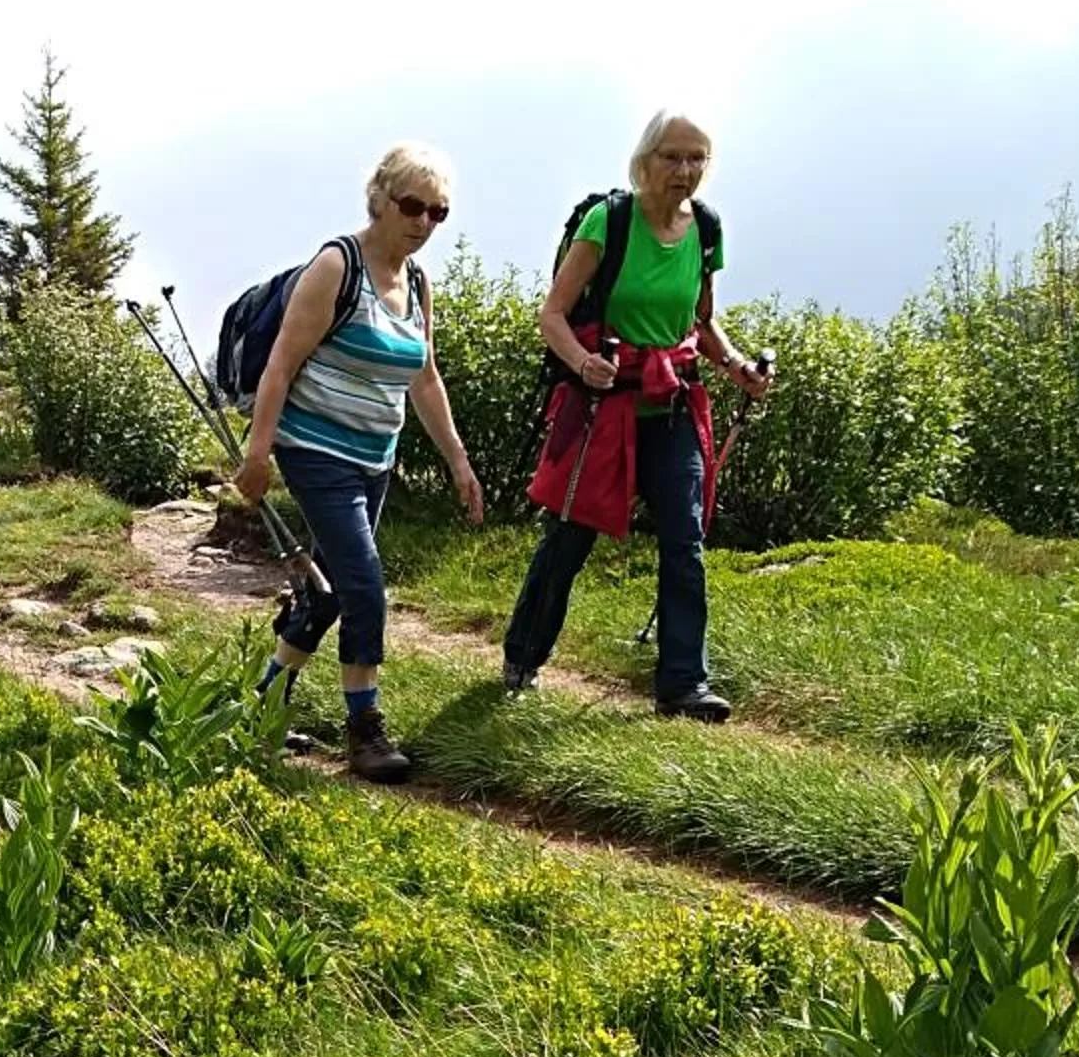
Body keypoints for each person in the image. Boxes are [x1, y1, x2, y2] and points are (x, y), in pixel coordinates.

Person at [501, 111, 770, 720]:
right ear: (645, 160)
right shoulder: (610, 222)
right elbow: (553, 315)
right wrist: (582, 361)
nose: (685, 170)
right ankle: (522, 657)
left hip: (671, 405)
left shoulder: (706, 229)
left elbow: (700, 324)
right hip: (604, 404)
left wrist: (736, 366)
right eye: (672, 157)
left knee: (685, 541)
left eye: (697, 158)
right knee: (570, 537)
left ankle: (683, 684)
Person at [234, 142, 487, 783]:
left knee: (327, 590)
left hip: (376, 457)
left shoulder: (418, 283)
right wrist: (258, 452)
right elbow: (282, 364)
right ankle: (364, 729)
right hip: (314, 451)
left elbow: (424, 378)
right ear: (379, 200)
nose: (424, 222)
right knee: (364, 589)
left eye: (439, 212)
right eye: (412, 205)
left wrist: (458, 460)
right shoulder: (336, 266)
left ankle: (261, 702)